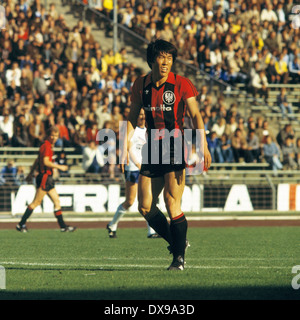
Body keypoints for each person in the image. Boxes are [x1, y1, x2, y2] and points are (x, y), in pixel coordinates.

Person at [120, 39, 211, 270]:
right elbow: (132, 117)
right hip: (151, 147)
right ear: (152, 60)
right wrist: (123, 147)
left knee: (172, 202)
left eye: (169, 58)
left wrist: (203, 145)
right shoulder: (141, 84)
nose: (165, 62)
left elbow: (195, 115)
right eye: (161, 57)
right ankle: (178, 243)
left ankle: (178, 259)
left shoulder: (181, 84)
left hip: (174, 145)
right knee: (145, 207)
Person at [106, 109, 158, 239]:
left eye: (144, 115)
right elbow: (128, 149)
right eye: (140, 114)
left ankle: (151, 231)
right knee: (129, 201)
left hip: (144, 169)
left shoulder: (148, 130)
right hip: (133, 168)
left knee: (147, 200)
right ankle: (112, 225)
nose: (142, 117)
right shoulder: (131, 129)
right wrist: (139, 165)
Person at [16, 126, 76, 232]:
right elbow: (45, 162)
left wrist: (30, 173)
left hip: (47, 178)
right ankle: (21, 224)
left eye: (56, 136)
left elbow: (37, 160)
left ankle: (63, 227)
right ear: (48, 135)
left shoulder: (46, 146)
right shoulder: (46, 146)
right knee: (36, 202)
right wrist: (60, 167)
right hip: (44, 177)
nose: (54, 138)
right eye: (52, 135)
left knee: (56, 201)